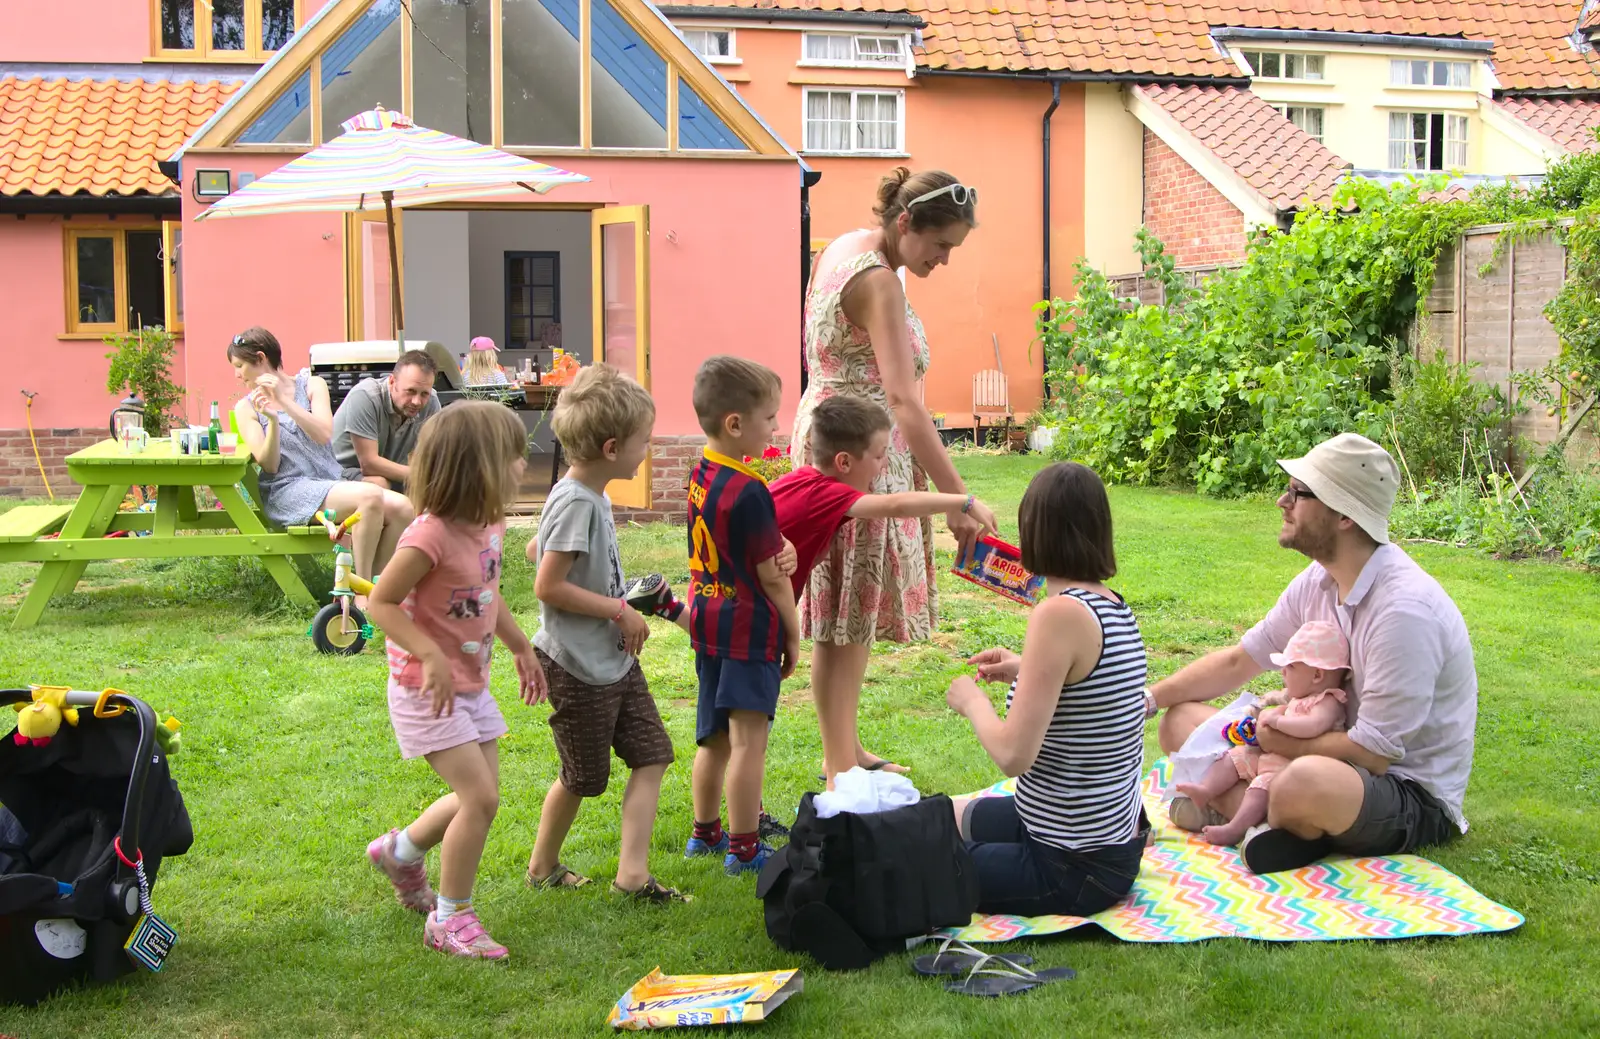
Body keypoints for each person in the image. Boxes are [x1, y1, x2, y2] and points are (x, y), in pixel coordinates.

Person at [1152, 433, 1477, 875]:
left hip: (1402, 790)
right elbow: (1240, 661)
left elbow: (1374, 754)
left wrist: (1277, 739)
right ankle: (1272, 827)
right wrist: (1149, 700)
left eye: (1298, 492)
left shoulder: (1404, 611)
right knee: (1180, 724)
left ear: (1343, 515)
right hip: (1310, 751)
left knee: (1302, 783)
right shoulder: (1318, 580)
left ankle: (1249, 810)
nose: (1282, 502)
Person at [791, 166, 984, 785]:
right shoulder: (879, 282)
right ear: (906, 224)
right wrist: (956, 496)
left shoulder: (847, 247)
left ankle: (843, 749)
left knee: (851, 608)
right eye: (941, 245)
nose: (944, 259)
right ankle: (837, 760)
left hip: (832, 435)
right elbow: (903, 400)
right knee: (845, 612)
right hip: (858, 455)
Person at [364, 401, 547, 960]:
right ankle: (450, 919)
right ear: (479, 465)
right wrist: (428, 652)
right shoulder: (430, 536)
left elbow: (486, 596)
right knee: (480, 798)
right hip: (427, 687)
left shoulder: (487, 524)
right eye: (514, 456)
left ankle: (402, 850)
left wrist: (520, 646)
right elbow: (381, 602)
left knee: (479, 798)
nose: (523, 465)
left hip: (470, 683)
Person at [945, 462, 1149, 918]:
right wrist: (1024, 667)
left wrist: (972, 702)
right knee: (936, 817)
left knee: (914, 861)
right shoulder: (1110, 605)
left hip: (1072, 867)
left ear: (1032, 529)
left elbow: (1013, 756)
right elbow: (1094, 686)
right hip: (1088, 839)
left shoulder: (1057, 614)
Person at [523, 364, 687, 904]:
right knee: (582, 777)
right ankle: (542, 865)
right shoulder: (575, 500)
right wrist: (619, 608)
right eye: (644, 440)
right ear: (613, 447)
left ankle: (633, 876)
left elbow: (538, 554)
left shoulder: (582, 493)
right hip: (577, 664)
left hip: (613, 661)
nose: (649, 446)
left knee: (652, 755)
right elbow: (548, 585)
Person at [684, 356, 799, 877]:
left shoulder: (701, 472)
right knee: (748, 742)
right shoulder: (751, 489)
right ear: (736, 424)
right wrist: (793, 632)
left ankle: (704, 834)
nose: (776, 427)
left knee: (712, 736)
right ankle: (745, 848)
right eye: (770, 418)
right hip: (749, 630)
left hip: (707, 621)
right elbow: (772, 575)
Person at [228, 327, 412, 598]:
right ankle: (359, 598)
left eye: (240, 365)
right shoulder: (246, 408)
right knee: (371, 497)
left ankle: (377, 589)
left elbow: (324, 433)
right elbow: (269, 465)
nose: (237, 374)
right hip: (288, 489)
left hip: (329, 481)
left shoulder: (312, 385)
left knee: (404, 507)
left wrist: (283, 403)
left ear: (260, 358)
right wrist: (274, 420)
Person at [1172, 621, 1351, 847]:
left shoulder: (1328, 701)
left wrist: (1278, 720)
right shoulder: (1297, 696)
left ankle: (1235, 829)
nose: (1283, 672)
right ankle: (1205, 790)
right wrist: (1260, 712)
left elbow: (1313, 726)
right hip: (1270, 756)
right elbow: (1274, 700)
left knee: (1260, 788)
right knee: (1233, 757)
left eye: (1291, 667)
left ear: (1317, 675)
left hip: (1289, 770)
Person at [331, 349, 443, 491]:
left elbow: (434, 457)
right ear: (392, 381)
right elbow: (369, 464)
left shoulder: (431, 402)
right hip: (341, 472)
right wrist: (426, 477)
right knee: (379, 486)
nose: (417, 401)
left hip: (393, 472)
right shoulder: (366, 397)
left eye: (424, 394)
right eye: (411, 391)